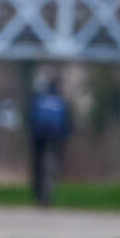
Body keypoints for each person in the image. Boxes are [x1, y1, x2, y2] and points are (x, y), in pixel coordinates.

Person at [27, 78, 71, 207]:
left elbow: (31, 118)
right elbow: (67, 122)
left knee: (37, 162)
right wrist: (65, 137)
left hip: (39, 135)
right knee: (56, 154)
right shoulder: (60, 101)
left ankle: (38, 190)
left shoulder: (39, 99)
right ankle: (58, 169)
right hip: (55, 136)